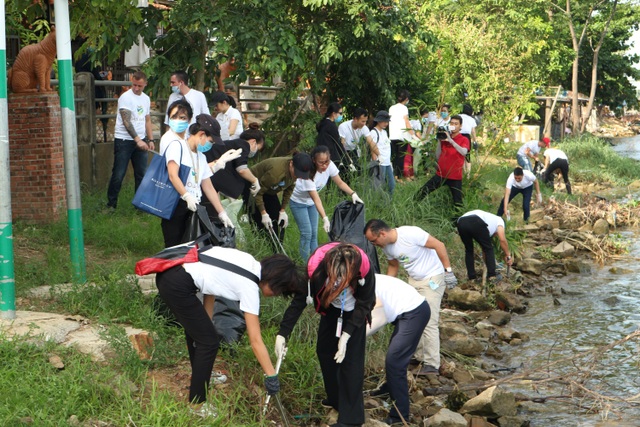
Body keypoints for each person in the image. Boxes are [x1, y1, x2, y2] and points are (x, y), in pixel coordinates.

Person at [155, 247, 303, 411]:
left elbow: (211, 285)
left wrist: (206, 320)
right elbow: (255, 341)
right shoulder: (250, 287)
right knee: (209, 342)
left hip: (171, 272)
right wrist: (271, 375)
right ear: (275, 282)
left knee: (202, 334)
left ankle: (203, 374)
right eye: (280, 291)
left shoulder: (248, 261)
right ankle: (197, 405)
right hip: (177, 284)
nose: (276, 295)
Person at [275, 242, 376, 427]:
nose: (338, 282)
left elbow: (365, 303)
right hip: (331, 311)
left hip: (354, 314)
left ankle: (351, 420)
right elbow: (299, 300)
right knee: (324, 352)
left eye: (343, 278)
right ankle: (336, 399)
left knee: (351, 363)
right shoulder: (316, 268)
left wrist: (347, 335)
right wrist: (283, 333)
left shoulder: (364, 267)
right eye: (335, 277)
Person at [363, 219, 457, 376]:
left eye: (374, 240)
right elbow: (393, 266)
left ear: (382, 233)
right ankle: (419, 356)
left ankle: (432, 363)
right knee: (414, 318)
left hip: (433, 278)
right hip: (413, 280)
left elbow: (439, 245)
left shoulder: (410, 233)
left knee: (430, 321)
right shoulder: (387, 247)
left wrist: (448, 271)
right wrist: (386, 288)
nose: (374, 245)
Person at [160, 100, 233, 247]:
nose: (210, 146)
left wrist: (221, 212)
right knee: (174, 247)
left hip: (194, 206)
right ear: (201, 135)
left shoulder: (201, 156)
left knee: (191, 249)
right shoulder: (177, 146)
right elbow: (173, 175)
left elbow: (208, 186)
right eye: (210, 141)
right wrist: (186, 195)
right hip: (177, 204)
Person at [366, 274, 430, 426]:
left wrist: (352, 337)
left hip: (415, 312)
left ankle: (399, 417)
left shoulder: (365, 283)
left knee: (395, 362)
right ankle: (391, 388)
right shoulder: (361, 278)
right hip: (407, 310)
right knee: (394, 358)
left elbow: (379, 317)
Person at [290, 145, 364, 261]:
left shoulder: (329, 166)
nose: (325, 165)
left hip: (311, 203)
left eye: (327, 162)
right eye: (321, 163)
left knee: (314, 234)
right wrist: (325, 218)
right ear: (314, 160)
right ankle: (305, 262)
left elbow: (339, 182)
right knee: (307, 233)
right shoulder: (308, 174)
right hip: (298, 203)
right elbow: (316, 199)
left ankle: (315, 261)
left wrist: (353, 194)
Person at [106, 71, 154, 211]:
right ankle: (111, 204)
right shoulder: (125, 98)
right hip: (124, 140)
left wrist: (150, 139)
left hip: (141, 139)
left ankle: (139, 205)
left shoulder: (145, 99)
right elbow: (127, 122)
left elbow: (147, 119)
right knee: (118, 174)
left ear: (145, 84)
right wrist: (138, 140)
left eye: (139, 85)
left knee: (141, 174)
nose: (136, 88)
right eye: (134, 84)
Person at [244, 152, 314, 241]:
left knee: (278, 220)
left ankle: (277, 247)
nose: (297, 177)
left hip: (270, 189)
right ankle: (261, 244)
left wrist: (282, 210)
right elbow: (259, 193)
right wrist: (264, 213)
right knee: (259, 221)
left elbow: (289, 189)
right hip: (253, 186)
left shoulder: (295, 173)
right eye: (296, 173)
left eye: (300, 175)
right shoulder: (276, 173)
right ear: (291, 164)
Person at [416, 115, 469, 213]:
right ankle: (412, 207)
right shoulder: (445, 137)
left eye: (456, 124)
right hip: (441, 174)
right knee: (423, 191)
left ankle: (457, 222)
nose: (453, 125)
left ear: (460, 126)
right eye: (451, 123)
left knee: (458, 203)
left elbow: (464, 152)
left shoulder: (464, 139)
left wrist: (451, 140)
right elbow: (437, 155)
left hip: (455, 177)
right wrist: (440, 141)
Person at [206, 125, 266, 200]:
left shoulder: (235, 143)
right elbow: (241, 169)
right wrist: (254, 180)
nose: (255, 152)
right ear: (253, 141)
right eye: (257, 148)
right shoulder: (245, 145)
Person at [456, 209, 513, 282]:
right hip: (475, 220)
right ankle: (492, 276)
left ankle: (472, 278)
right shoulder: (500, 220)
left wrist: (487, 264)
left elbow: (484, 250)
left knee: (469, 250)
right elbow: (502, 239)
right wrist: (508, 255)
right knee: (489, 248)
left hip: (461, 222)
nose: (496, 236)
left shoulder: (489, 221)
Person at [388, 90, 417, 180]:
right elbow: (407, 122)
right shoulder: (404, 108)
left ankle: (394, 176)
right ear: (407, 99)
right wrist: (413, 136)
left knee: (394, 157)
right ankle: (398, 177)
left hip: (392, 135)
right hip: (402, 136)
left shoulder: (391, 108)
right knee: (401, 157)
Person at [369, 110, 395, 195]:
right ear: (379, 121)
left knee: (391, 185)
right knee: (380, 186)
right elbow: (372, 148)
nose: (386, 124)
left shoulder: (384, 132)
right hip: (380, 163)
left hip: (387, 162)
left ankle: (389, 203)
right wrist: (375, 163)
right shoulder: (374, 132)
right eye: (384, 121)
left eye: (387, 122)